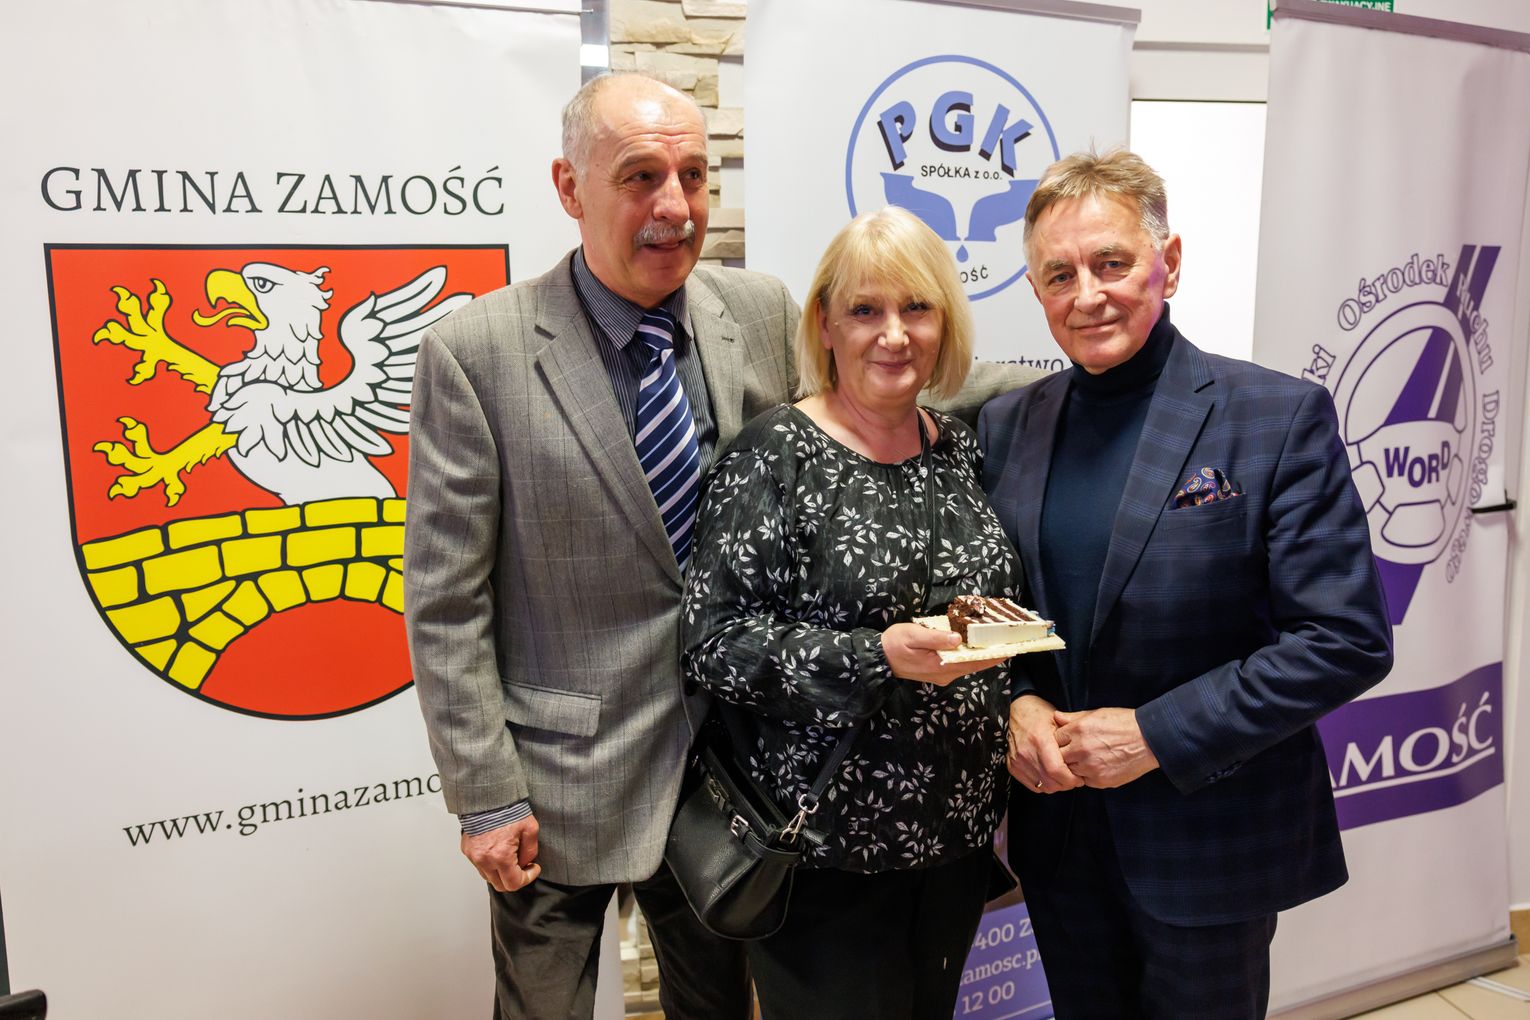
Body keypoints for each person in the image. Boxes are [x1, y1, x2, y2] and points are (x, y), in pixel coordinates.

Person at [404, 72, 1032, 1019]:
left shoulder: (759, 309)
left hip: (723, 777)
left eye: (694, 177)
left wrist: (1069, 381)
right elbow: (446, 601)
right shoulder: (477, 352)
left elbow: (884, 380)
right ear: (569, 188)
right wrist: (486, 795)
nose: (675, 206)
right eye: (641, 177)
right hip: (561, 782)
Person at [978, 148, 1394, 1018]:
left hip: (1208, 839)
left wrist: (1152, 735)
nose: (1087, 295)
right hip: (1059, 838)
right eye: (1059, 275)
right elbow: (993, 610)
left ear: (1168, 262)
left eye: (1111, 263)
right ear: (1036, 291)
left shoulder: (1275, 416)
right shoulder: (1008, 424)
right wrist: (1015, 701)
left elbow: (1344, 640)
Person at [682, 206, 1031, 1020]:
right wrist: (876, 657)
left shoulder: (958, 450)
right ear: (825, 326)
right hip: (823, 855)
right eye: (866, 310)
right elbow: (713, 643)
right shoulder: (775, 455)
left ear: (945, 323)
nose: (894, 334)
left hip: (954, 844)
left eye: (917, 308)